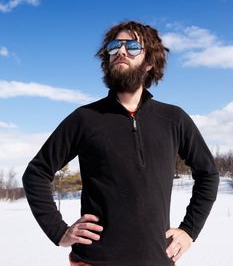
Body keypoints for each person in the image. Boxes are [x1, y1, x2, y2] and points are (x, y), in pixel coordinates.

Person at [23, 21, 219, 266]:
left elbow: (208, 174)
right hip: (94, 261)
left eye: (133, 46)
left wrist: (189, 230)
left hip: (157, 259)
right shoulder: (85, 119)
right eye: (115, 46)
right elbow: (36, 173)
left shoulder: (173, 119)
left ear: (149, 63)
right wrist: (58, 230)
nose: (121, 51)